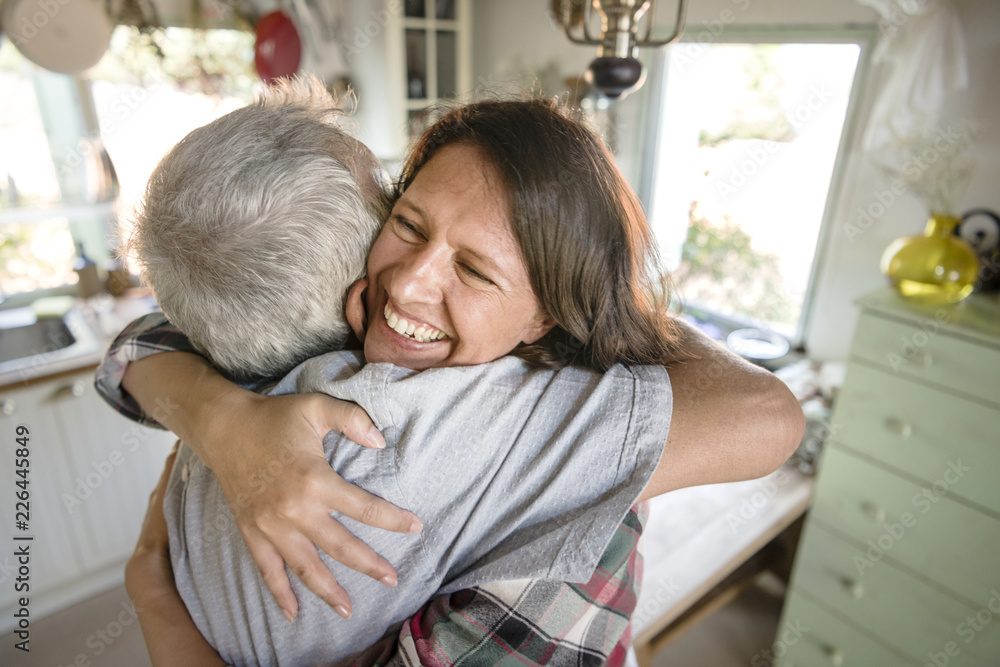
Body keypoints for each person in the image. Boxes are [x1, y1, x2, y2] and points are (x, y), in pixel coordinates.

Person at [107, 95, 804, 665]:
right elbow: (133, 347)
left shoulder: (564, 467)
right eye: (405, 219)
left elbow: (132, 349)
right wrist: (223, 421)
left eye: (474, 269)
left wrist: (157, 594)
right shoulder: (348, 369)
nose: (409, 284)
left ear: (546, 315)